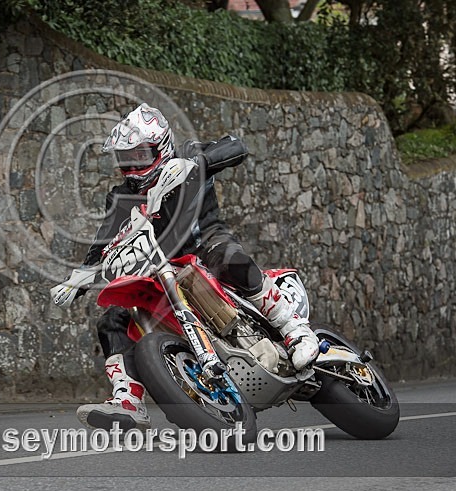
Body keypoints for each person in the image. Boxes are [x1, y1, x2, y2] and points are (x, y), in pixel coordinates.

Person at [50, 103, 319, 431]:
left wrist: (196, 163)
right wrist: (78, 277)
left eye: (140, 156)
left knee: (229, 257)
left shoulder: (188, 154)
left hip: (206, 246)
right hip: (159, 268)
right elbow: (104, 241)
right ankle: (128, 401)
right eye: (125, 158)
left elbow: (235, 147)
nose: (133, 166)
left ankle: (294, 330)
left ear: (161, 146)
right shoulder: (121, 196)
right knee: (114, 319)